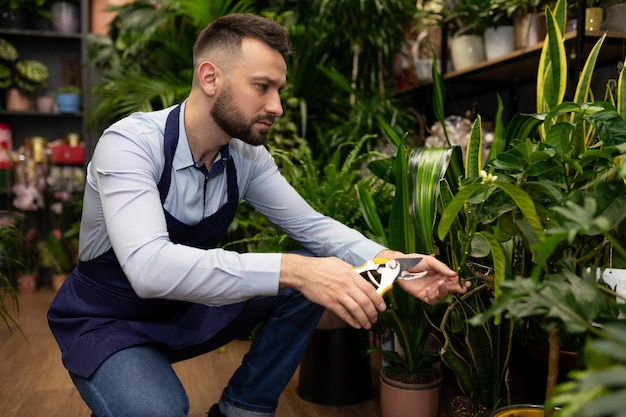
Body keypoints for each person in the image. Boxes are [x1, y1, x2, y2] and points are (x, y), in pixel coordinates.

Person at [47, 13, 469, 417]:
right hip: (110, 320)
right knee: (156, 410)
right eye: (263, 86)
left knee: (314, 269)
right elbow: (149, 269)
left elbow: (313, 227)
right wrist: (295, 269)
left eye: (278, 89)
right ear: (210, 77)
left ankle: (241, 409)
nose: (278, 106)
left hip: (186, 307)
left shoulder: (246, 157)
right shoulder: (130, 145)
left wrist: (400, 266)